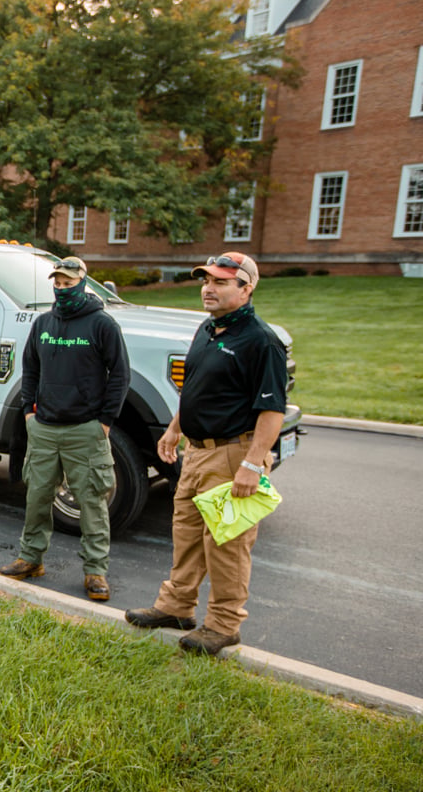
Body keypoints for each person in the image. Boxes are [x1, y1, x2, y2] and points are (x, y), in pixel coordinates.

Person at [125, 252, 287, 655]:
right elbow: (195, 387)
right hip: (197, 453)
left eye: (219, 282)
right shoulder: (208, 329)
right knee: (188, 534)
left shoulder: (261, 341)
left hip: (234, 455)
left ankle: (223, 625)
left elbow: (272, 411)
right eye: (205, 281)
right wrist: (175, 428)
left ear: (246, 288)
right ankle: (176, 607)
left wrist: (252, 464)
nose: (208, 288)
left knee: (226, 545)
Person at [0, 257, 129, 601]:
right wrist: (29, 413)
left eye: (67, 283)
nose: (61, 288)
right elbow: (30, 370)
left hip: (85, 431)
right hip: (44, 429)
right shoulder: (43, 323)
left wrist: (104, 422)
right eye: (56, 282)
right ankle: (31, 558)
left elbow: (119, 375)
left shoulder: (102, 325)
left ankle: (95, 572)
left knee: (92, 503)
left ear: (82, 283)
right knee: (37, 497)